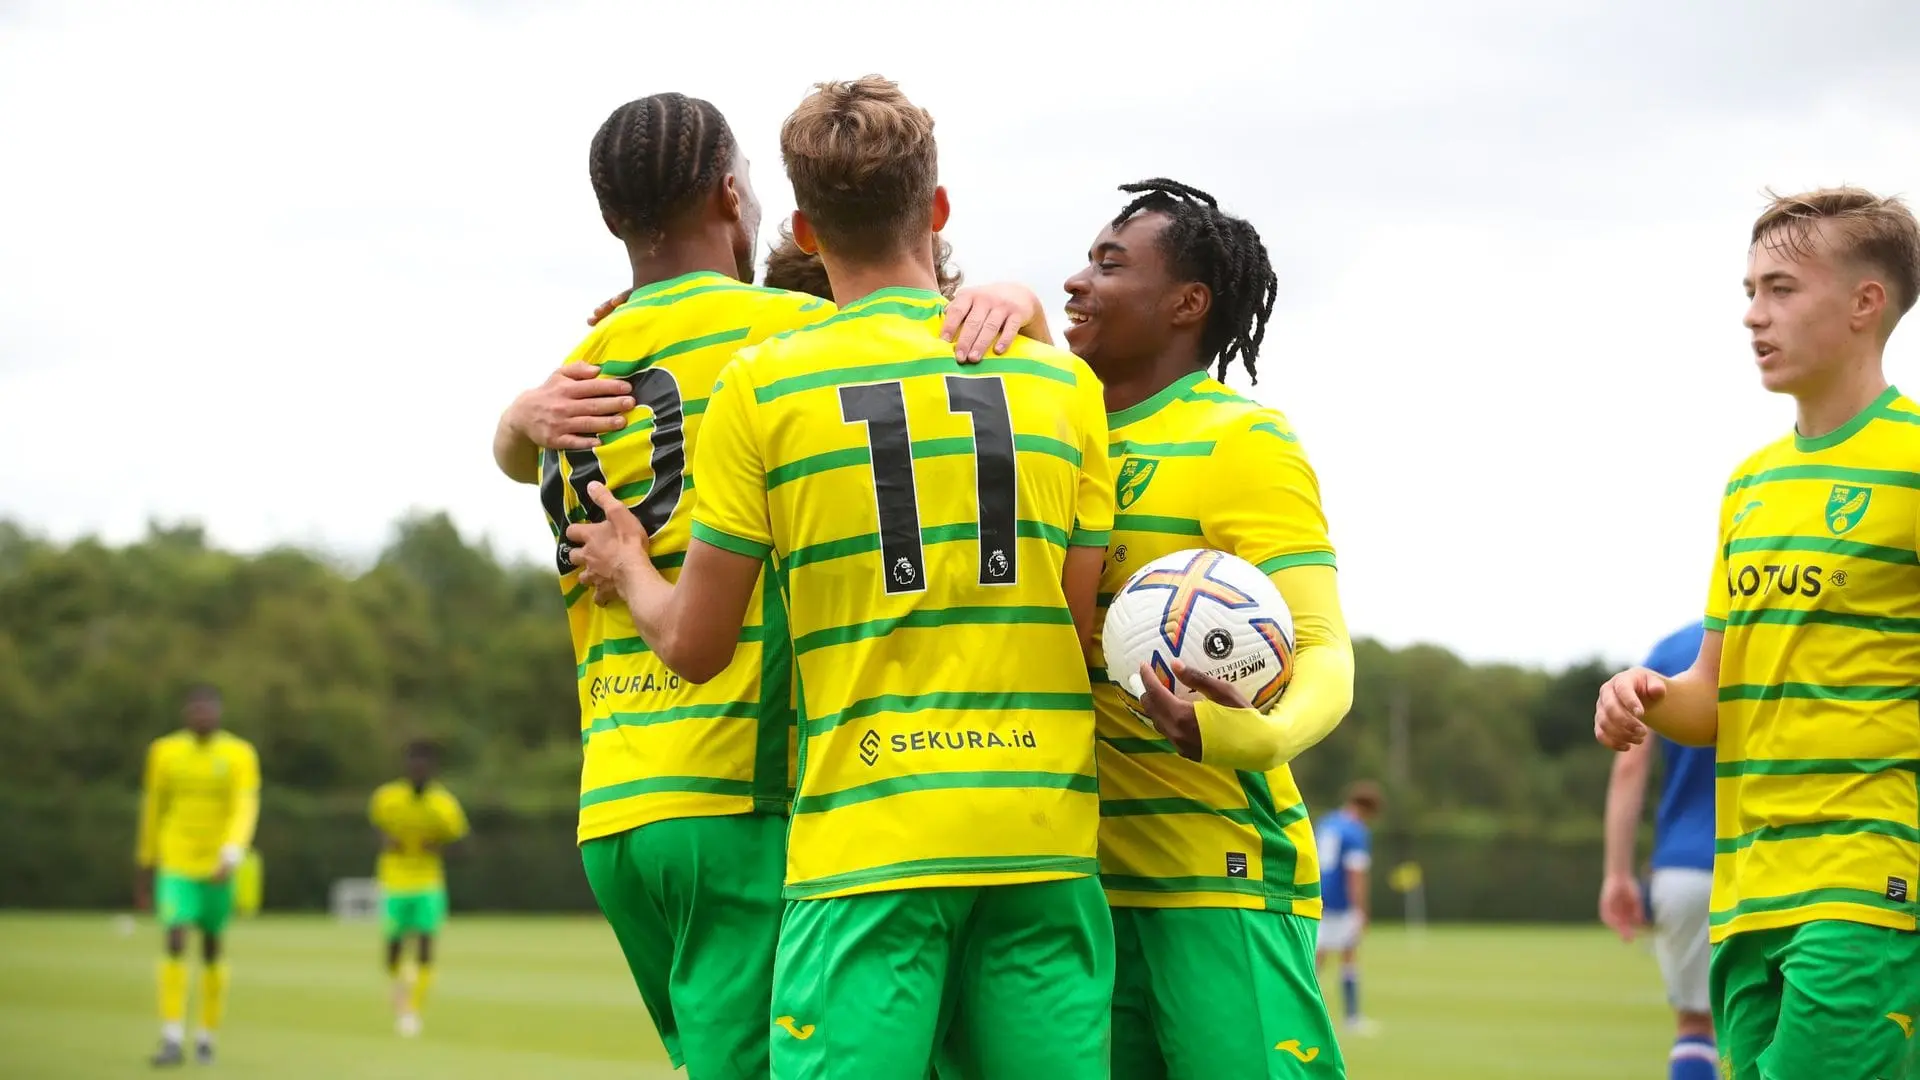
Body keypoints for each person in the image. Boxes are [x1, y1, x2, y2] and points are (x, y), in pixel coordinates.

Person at [564, 75, 1116, 1080]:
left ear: (807, 233)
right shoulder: (1064, 384)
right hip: (1041, 838)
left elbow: (694, 646)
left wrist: (629, 567)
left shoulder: (767, 382)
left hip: (868, 847)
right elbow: (1077, 626)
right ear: (938, 210)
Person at [1594, 187, 1920, 1080]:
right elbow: (1712, 701)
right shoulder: (1750, 487)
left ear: (1866, 303)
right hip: (1747, 893)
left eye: (1780, 289)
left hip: (1867, 882)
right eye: (1748, 290)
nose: (1752, 315)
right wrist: (1649, 696)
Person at [1598, 621, 1717, 1080]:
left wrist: (1618, 874)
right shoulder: (1777, 630)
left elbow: (1630, 769)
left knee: (1694, 1025)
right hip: (1781, 859)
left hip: (1686, 867)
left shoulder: (1671, 650)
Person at [134, 684, 260, 1068]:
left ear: (219, 713)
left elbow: (245, 804)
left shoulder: (239, 754)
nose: (202, 715)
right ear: (186, 714)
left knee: (211, 946)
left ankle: (206, 1035)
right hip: (176, 862)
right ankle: (172, 1036)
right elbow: (153, 808)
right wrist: (145, 863)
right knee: (174, 937)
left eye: (209, 709)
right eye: (196, 709)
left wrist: (232, 852)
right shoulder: (164, 752)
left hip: (218, 866)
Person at [368, 739, 469, 1038]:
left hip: (427, 882)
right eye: (414, 765)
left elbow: (464, 845)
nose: (418, 771)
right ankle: (402, 988)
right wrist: (384, 841)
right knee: (393, 951)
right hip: (394, 881)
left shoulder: (444, 805)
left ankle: (410, 1009)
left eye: (424, 766)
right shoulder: (387, 798)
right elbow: (374, 826)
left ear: (433, 770)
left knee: (426, 944)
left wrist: (438, 849)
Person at [1315, 780, 1384, 1037]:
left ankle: (1295, 1010)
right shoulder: (1356, 831)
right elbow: (1355, 873)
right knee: (1342, 955)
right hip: (1338, 902)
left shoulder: (1327, 822)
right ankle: (1352, 1018)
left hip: (1315, 896)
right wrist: (1361, 909)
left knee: (1320, 956)